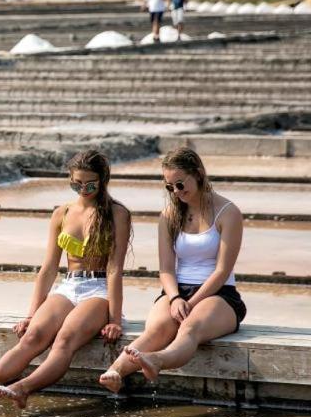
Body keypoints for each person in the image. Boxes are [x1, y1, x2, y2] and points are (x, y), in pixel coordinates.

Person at [0, 149, 131, 409]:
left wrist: (114, 319)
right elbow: (49, 268)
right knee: (32, 337)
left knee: (65, 340)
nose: (83, 189)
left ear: (102, 180)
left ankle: (23, 388)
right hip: (69, 286)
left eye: (89, 184)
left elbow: (114, 268)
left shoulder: (117, 214)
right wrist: (32, 314)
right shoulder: (62, 213)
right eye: (76, 184)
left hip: (99, 290)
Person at [99, 147, 246, 393]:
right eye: (170, 187)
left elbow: (222, 271)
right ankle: (114, 372)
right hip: (177, 291)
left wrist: (192, 302)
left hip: (219, 294)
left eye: (180, 184)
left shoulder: (228, 212)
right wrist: (176, 297)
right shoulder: (169, 215)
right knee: (156, 330)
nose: (176, 192)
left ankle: (157, 360)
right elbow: (166, 269)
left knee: (189, 329)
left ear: (198, 174)